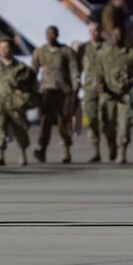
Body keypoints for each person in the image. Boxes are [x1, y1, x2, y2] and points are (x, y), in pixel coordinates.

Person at [98, 23, 133, 164]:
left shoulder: (131, 54)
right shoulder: (103, 53)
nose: (116, 37)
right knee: (107, 125)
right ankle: (111, 144)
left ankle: (122, 152)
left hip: (124, 95)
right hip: (108, 95)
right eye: (114, 35)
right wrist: (99, 83)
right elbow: (98, 72)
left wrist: (131, 82)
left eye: (119, 35)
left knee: (124, 124)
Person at [31, 25, 79, 163]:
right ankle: (42, 149)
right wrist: (32, 87)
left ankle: (66, 151)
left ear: (57, 35)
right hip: (46, 90)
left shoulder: (65, 51)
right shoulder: (40, 51)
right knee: (45, 121)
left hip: (63, 91)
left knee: (63, 121)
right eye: (48, 34)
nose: (50, 36)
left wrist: (75, 86)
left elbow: (73, 69)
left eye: (53, 34)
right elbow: (33, 71)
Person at [0, 38, 33, 166]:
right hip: (0, 102)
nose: (3, 51)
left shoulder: (21, 66)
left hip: (15, 102)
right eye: (1, 48)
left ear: (11, 49)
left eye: (6, 47)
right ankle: (0, 156)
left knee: (20, 128)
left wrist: (24, 97)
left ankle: (22, 154)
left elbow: (30, 84)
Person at [76, 19, 107, 162]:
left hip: (106, 89)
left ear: (100, 32)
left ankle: (112, 143)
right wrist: (76, 82)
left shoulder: (108, 47)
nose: (93, 33)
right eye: (90, 31)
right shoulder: (83, 49)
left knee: (107, 121)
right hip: (89, 88)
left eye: (96, 31)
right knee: (90, 120)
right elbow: (77, 68)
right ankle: (96, 152)